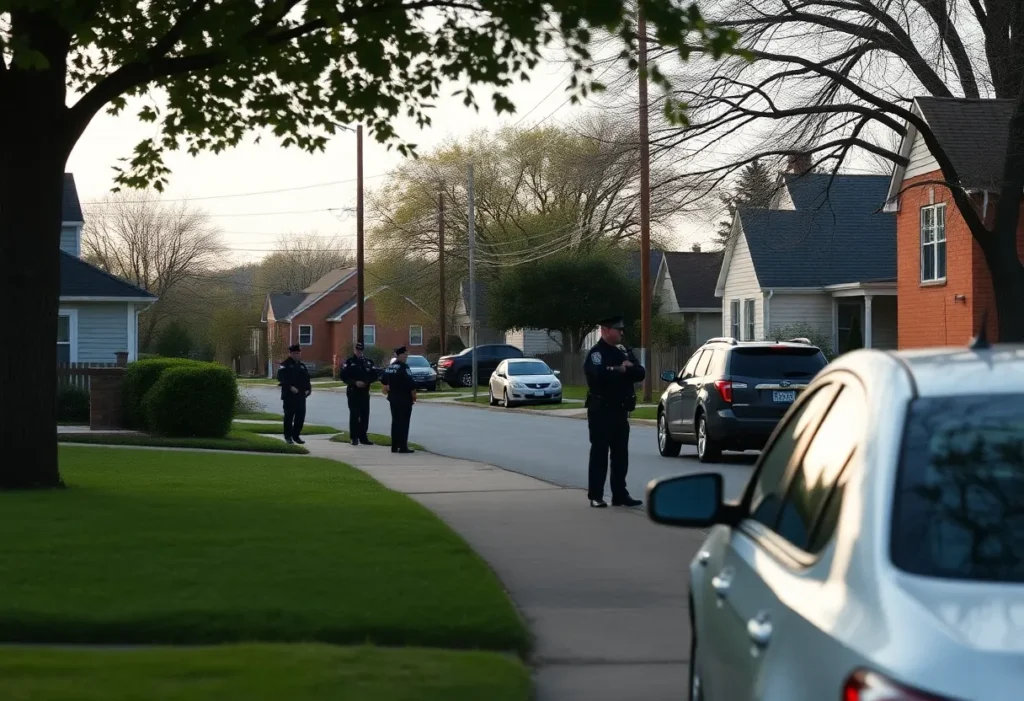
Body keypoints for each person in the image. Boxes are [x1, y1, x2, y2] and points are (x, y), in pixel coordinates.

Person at [583, 316, 645, 508]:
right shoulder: (596, 353)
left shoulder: (623, 351)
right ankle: (596, 495)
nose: (621, 333)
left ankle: (620, 494)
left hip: (620, 411)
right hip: (601, 410)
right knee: (600, 454)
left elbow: (640, 372)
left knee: (620, 456)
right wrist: (621, 369)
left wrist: (622, 370)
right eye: (618, 329)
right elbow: (599, 376)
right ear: (605, 330)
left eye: (621, 329)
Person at [339, 342, 378, 446]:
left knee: (365, 415)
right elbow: (343, 376)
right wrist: (355, 382)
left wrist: (367, 382)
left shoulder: (368, 362)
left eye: (361, 350)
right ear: (354, 350)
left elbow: (374, 375)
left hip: (365, 392)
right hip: (353, 392)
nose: (359, 352)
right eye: (357, 350)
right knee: (354, 415)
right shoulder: (350, 362)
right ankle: (354, 437)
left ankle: (363, 437)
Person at [380, 346, 417, 454]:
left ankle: (394, 446)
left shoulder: (391, 367)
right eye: (404, 355)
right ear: (399, 355)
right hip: (404, 398)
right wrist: (414, 396)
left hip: (393, 398)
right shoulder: (404, 367)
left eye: (406, 355)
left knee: (395, 422)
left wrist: (388, 386)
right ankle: (403, 446)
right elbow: (411, 383)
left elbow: (383, 379)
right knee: (404, 423)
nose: (406, 357)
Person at [278, 343, 312, 444]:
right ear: (291, 353)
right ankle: (288, 436)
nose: (297, 355)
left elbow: (307, 378)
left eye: (299, 353)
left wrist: (308, 389)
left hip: (301, 396)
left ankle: (296, 435)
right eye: (295, 353)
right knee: (289, 417)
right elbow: (281, 378)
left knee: (300, 417)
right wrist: (290, 387)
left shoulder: (302, 366)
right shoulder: (285, 364)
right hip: (289, 396)